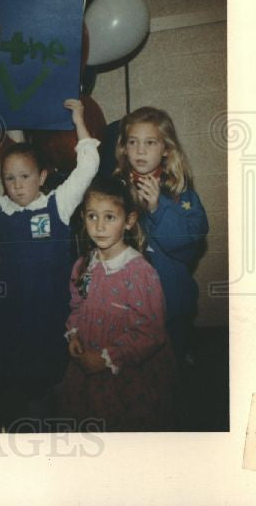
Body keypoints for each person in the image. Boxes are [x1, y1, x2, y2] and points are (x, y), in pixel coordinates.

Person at [0, 99, 99, 423]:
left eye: (25, 176)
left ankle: (64, 409)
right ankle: (35, 418)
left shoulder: (58, 204)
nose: (17, 186)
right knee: (25, 380)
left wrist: (79, 121)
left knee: (58, 369)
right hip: (15, 314)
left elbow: (87, 166)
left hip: (52, 310)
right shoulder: (0, 209)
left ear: (42, 176)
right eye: (9, 178)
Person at [60, 176, 176, 431]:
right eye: (92, 216)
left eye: (109, 217)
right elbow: (77, 306)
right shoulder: (83, 265)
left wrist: (106, 358)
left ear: (129, 221)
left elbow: (151, 332)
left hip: (126, 373)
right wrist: (74, 334)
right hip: (86, 365)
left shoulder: (140, 273)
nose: (99, 226)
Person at [115, 106, 208, 364]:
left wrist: (158, 208)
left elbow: (189, 244)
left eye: (150, 142)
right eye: (133, 142)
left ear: (166, 149)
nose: (140, 150)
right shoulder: (117, 188)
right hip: (129, 301)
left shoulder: (180, 193)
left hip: (170, 299)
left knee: (171, 364)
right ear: (124, 148)